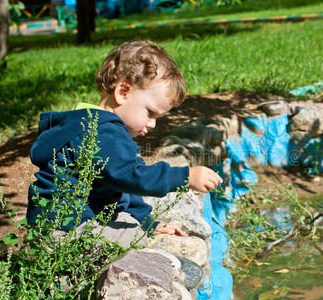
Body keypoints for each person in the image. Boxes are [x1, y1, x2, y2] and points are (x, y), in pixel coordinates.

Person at [27, 40, 222, 237]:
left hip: (62, 221)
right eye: (150, 113)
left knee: (132, 229)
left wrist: (147, 222)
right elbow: (132, 176)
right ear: (123, 92)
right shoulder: (102, 132)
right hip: (65, 225)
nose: (153, 124)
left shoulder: (92, 123)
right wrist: (184, 177)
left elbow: (122, 186)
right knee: (131, 239)